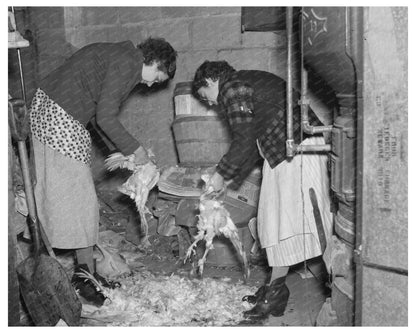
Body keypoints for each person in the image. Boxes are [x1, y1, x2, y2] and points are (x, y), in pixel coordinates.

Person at [29, 37, 177, 306]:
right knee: (81, 200)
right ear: (155, 61)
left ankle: (86, 274)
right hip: (59, 119)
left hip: (57, 115)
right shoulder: (127, 62)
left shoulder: (120, 57)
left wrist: (122, 153)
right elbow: (106, 117)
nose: (151, 84)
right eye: (157, 77)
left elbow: (99, 117)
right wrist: (137, 150)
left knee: (82, 201)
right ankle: (84, 276)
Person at [192, 61, 332, 320]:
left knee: (315, 225)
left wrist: (221, 174)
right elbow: (248, 141)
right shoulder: (246, 84)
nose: (211, 103)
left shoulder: (232, 87)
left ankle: (340, 288)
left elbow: (243, 139)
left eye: (205, 96)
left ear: (211, 81)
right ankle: (275, 292)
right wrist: (228, 177)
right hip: (283, 153)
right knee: (275, 226)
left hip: (301, 150)